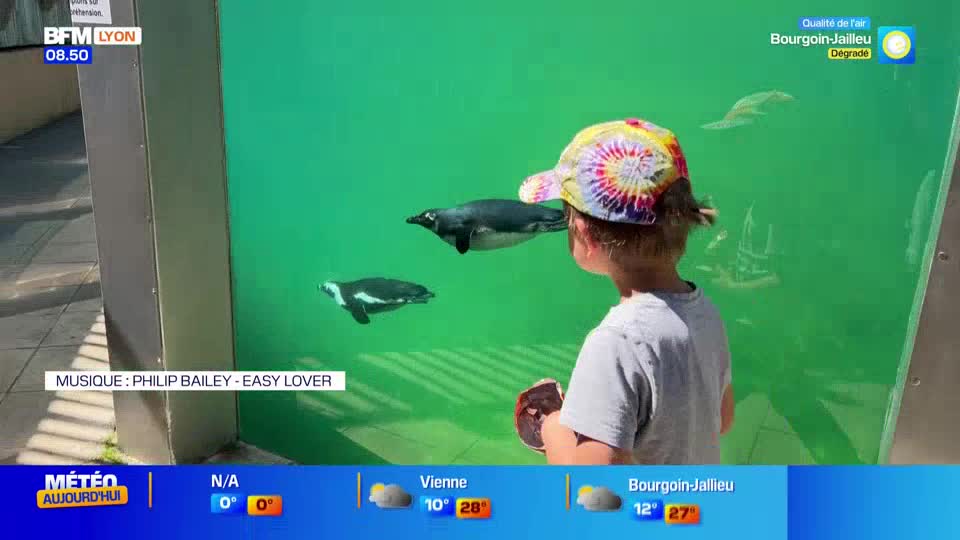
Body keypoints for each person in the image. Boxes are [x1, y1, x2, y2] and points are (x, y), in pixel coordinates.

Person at [516, 118, 734, 464]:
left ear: (584, 233)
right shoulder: (706, 313)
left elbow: (593, 484)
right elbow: (722, 419)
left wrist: (553, 426)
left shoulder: (615, 343)